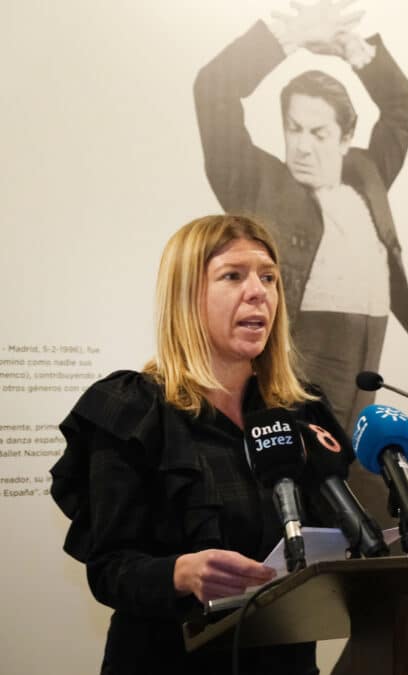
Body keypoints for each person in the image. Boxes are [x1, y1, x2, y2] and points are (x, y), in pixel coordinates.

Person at [50, 215, 357, 674]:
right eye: (233, 276)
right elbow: (110, 568)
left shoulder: (301, 412)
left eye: (269, 277)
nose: (258, 292)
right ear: (186, 296)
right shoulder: (133, 410)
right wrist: (181, 573)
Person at [193, 0, 408, 460]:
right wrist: (284, 41)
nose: (302, 146)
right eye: (294, 129)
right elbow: (213, 89)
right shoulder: (258, 185)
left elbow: (399, 105)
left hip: (365, 413)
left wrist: (356, 52)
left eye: (318, 133)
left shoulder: (367, 175)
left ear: (345, 137)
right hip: (293, 406)